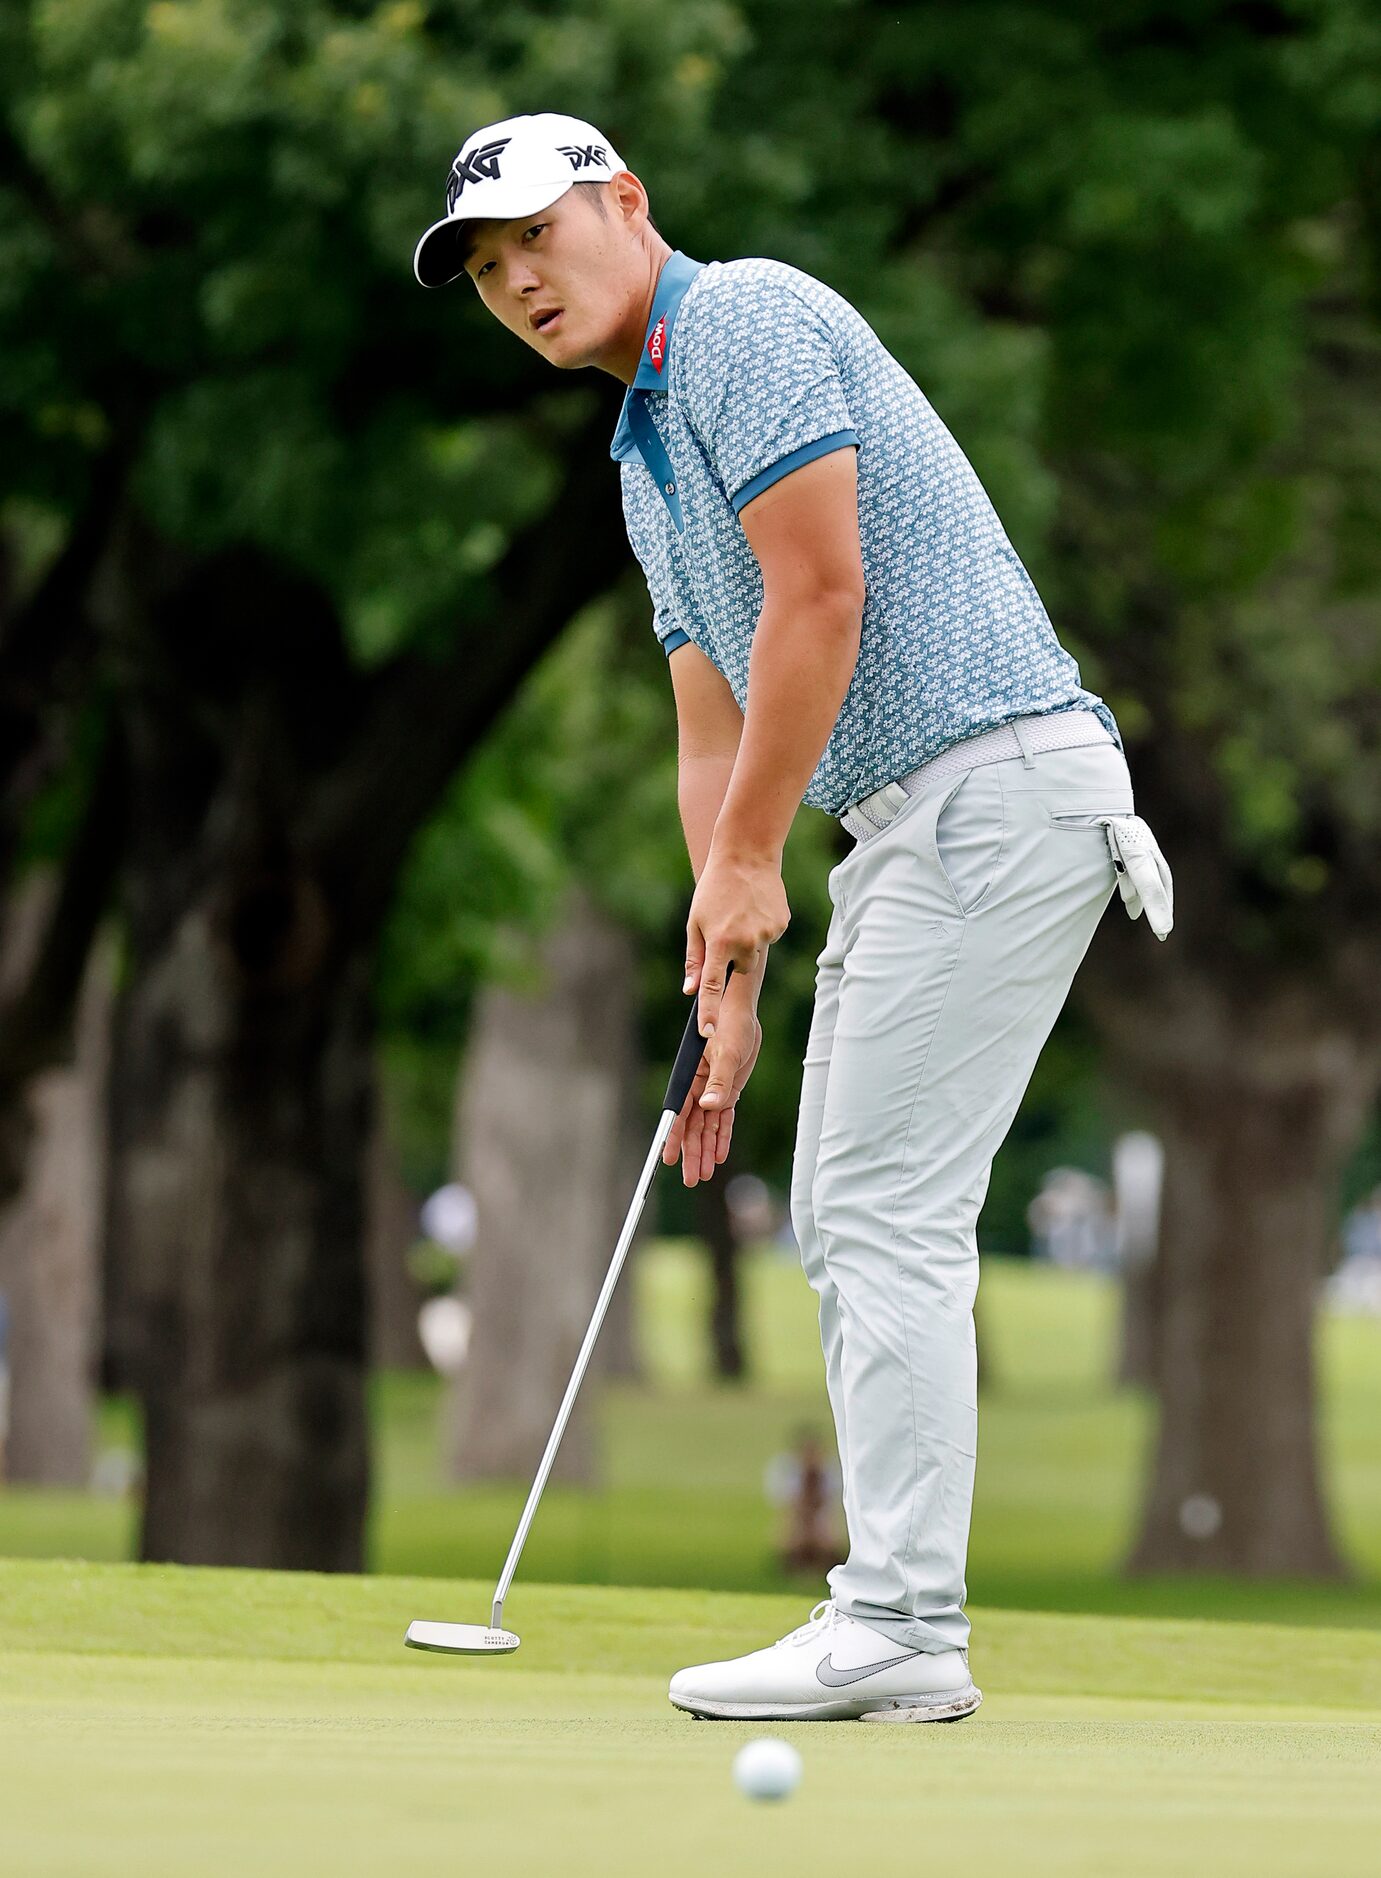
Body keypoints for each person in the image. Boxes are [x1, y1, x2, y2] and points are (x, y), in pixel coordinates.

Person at [414, 112, 1173, 1723]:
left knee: (875, 1209)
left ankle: (899, 1620)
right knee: (852, 1205)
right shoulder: (639, 450)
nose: (520, 283)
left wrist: (761, 858)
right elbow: (711, 721)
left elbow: (823, 597)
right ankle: (894, 1619)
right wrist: (726, 967)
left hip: (990, 782)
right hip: (920, 816)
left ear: (627, 204)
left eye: (539, 237)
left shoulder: (743, 317)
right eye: (488, 270)